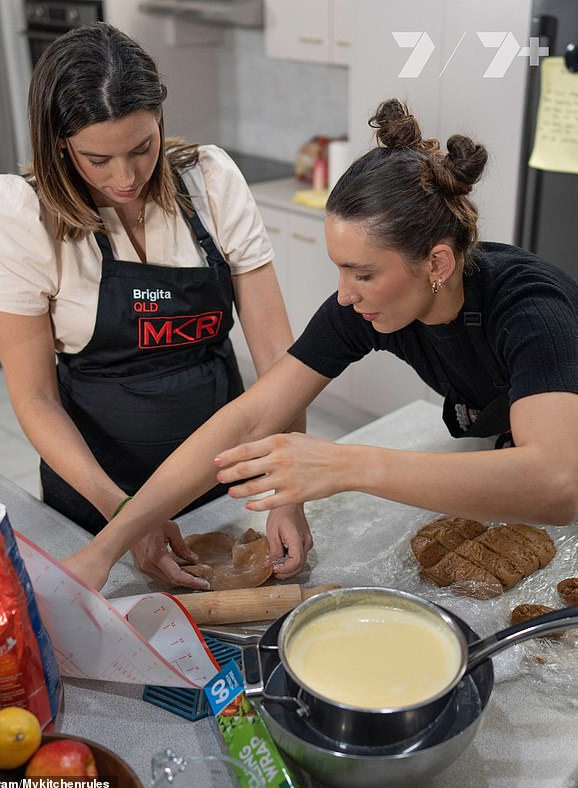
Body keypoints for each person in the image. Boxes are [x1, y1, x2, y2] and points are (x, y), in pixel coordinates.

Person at [65, 97, 578, 592]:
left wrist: (347, 465)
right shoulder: (365, 308)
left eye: (364, 273)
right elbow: (247, 419)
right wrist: (107, 547)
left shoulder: (532, 310)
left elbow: (557, 481)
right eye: (341, 268)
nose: (344, 293)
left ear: (438, 264)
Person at [0, 22, 312, 586]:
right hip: (97, 492)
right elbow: (34, 398)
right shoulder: (17, 216)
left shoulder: (211, 182)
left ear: (160, 121)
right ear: (58, 145)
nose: (124, 177)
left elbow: (280, 360)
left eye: (142, 147)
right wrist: (125, 515)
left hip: (226, 482)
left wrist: (285, 487)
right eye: (96, 159)